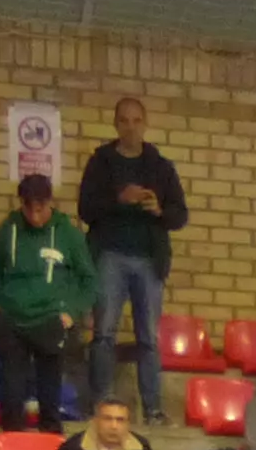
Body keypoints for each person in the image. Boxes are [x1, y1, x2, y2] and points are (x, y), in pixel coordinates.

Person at [72, 95, 185, 420]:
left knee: (148, 338)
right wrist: (120, 200)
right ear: (116, 124)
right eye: (124, 121)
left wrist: (159, 210)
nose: (131, 127)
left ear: (145, 124)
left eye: (137, 121)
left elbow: (180, 216)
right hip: (109, 255)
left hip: (149, 260)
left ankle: (153, 409)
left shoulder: (161, 167)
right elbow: (86, 209)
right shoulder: (101, 162)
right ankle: (101, 406)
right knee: (104, 333)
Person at [0, 174, 92, 436]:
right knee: (11, 391)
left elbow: (88, 279)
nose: (34, 215)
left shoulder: (68, 234)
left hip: (50, 318)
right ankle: (11, 448)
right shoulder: (8, 228)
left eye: (40, 209)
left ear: (49, 203)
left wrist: (72, 312)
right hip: (13, 318)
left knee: (49, 394)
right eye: (27, 208)